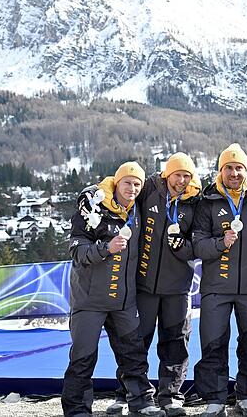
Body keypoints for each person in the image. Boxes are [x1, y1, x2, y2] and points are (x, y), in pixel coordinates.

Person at [62, 161, 164, 417]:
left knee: (133, 354)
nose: (132, 188)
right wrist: (105, 248)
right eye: (127, 182)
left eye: (137, 184)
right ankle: (77, 409)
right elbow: (76, 251)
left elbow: (164, 181)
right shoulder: (92, 208)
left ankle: (141, 403)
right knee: (83, 358)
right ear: (116, 183)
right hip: (89, 301)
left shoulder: (137, 209)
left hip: (123, 301)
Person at [106, 153, 202, 417]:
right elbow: (121, 185)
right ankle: (126, 393)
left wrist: (185, 247)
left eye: (186, 176)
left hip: (178, 288)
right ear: (166, 174)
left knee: (176, 343)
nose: (181, 180)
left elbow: (200, 242)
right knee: (136, 343)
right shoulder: (149, 188)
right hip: (145, 285)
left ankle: (170, 396)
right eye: (177, 174)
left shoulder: (195, 202)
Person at [192, 143, 247, 417]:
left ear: (246, 170)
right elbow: (198, 246)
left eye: (239, 168)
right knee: (213, 343)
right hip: (216, 288)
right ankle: (215, 398)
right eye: (229, 168)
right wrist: (220, 244)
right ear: (220, 171)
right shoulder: (208, 201)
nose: (234, 173)